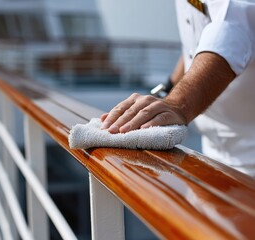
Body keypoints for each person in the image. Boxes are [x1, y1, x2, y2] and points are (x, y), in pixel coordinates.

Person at [100, 0, 255, 177]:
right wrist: (168, 89)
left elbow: (237, 25)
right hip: (213, 152)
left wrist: (178, 104)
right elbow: (200, 35)